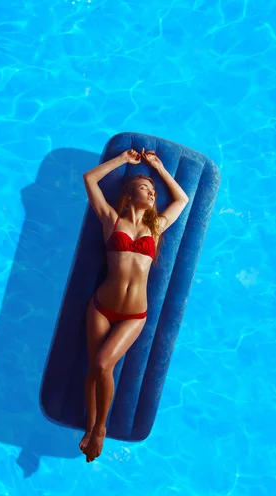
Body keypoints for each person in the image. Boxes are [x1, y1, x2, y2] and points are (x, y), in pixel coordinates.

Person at [80, 148, 189, 462]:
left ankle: (99, 429)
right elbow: (89, 179)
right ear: (129, 194)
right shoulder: (110, 219)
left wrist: (158, 168)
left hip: (133, 315)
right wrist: (123, 161)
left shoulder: (156, 228)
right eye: (146, 188)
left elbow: (181, 200)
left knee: (102, 365)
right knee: (93, 369)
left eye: (154, 191)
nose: (152, 193)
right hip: (101, 306)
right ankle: (89, 427)